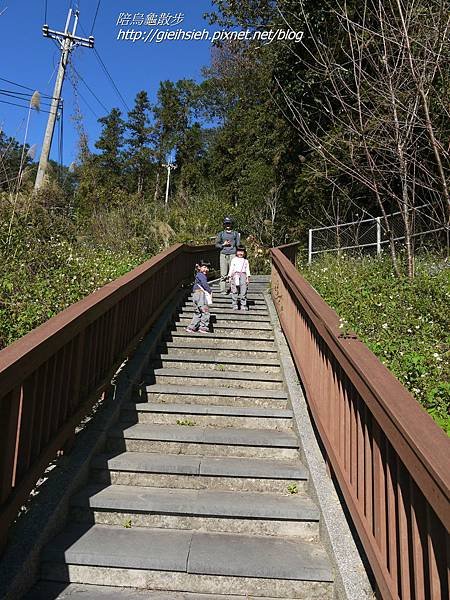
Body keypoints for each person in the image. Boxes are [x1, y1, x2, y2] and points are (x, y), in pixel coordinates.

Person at [215, 216, 240, 293]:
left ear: (231, 224)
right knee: (223, 274)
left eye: (229, 223)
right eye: (226, 223)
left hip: (233, 254)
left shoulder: (235, 234)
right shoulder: (221, 234)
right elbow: (216, 244)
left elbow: (238, 245)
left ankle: (234, 289)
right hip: (223, 255)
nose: (228, 225)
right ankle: (222, 290)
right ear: (224, 224)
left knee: (233, 273)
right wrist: (223, 244)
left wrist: (240, 255)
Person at [186, 261, 212, 333]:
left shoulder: (198, 275)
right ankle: (203, 327)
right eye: (204, 267)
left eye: (207, 268)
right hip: (200, 294)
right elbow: (204, 284)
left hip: (195, 294)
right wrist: (209, 291)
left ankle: (191, 327)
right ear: (199, 267)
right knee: (205, 310)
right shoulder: (201, 275)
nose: (206, 269)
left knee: (197, 312)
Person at [228, 246, 251, 310]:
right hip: (235, 275)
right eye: (239, 251)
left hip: (243, 275)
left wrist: (247, 278)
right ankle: (234, 304)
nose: (240, 253)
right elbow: (231, 268)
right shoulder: (234, 259)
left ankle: (243, 304)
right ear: (236, 252)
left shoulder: (245, 261)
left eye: (242, 251)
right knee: (234, 290)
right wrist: (229, 276)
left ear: (244, 253)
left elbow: (247, 270)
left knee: (243, 290)